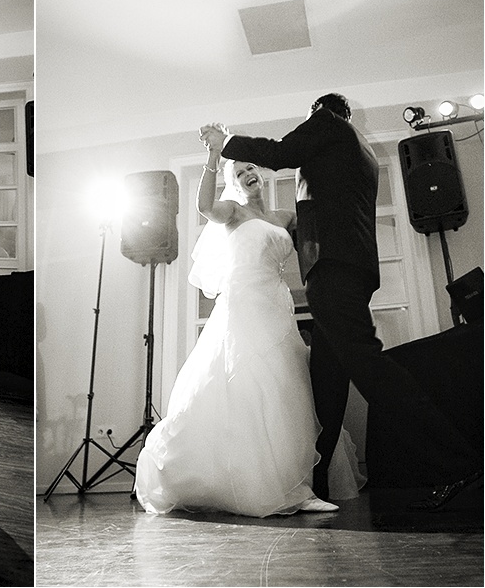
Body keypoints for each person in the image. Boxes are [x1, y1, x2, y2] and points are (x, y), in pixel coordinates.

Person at [203, 93, 482, 510]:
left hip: (334, 269)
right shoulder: (361, 150)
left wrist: (225, 143)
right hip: (347, 267)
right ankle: (314, 485)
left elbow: (281, 153)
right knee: (326, 387)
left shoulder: (328, 124)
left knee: (370, 368)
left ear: (320, 112)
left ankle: (458, 464)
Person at [135, 157, 362, 517]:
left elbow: (322, 237)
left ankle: (297, 486)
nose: (247, 175)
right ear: (234, 183)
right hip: (242, 305)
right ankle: (247, 484)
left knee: (288, 391)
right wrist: (212, 158)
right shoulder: (233, 213)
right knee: (248, 384)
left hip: (277, 304)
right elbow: (204, 206)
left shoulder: (285, 216)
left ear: (261, 174)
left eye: (250, 169)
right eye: (239, 173)